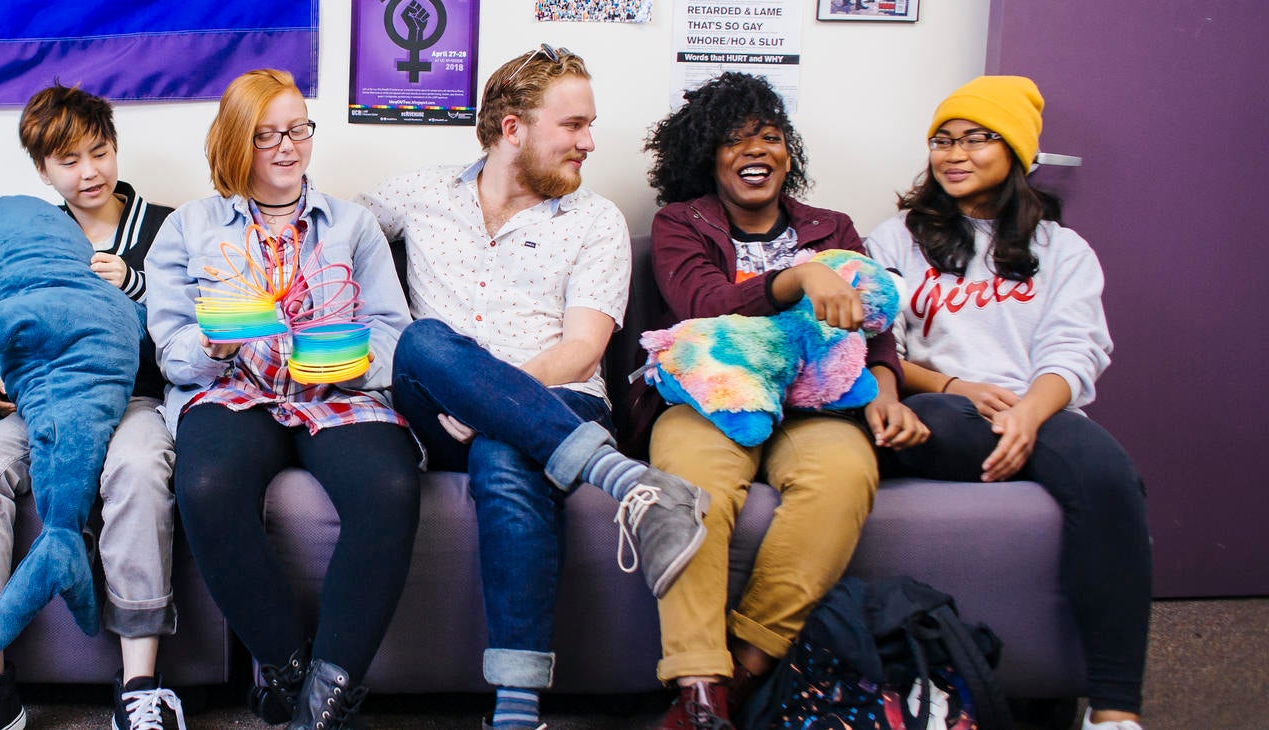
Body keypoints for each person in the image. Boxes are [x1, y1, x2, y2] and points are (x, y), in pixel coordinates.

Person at [357, 44, 709, 730]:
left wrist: (489, 400)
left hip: (559, 404)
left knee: (505, 453)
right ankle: (629, 483)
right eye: (572, 125)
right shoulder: (420, 194)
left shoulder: (594, 220)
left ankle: (516, 714)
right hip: (441, 411)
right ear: (511, 127)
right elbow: (321, 229)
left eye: (588, 125)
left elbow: (582, 351)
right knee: (423, 343)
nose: (589, 142)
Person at [639, 71, 927, 729]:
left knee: (847, 475)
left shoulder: (834, 227)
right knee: (687, 488)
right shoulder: (680, 223)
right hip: (711, 402)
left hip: (815, 406)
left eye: (769, 138)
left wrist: (886, 392)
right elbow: (703, 306)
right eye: (735, 141)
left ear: (788, 153)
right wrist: (799, 276)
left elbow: (871, 327)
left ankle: (745, 671)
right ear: (707, 157)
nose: (756, 152)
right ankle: (698, 682)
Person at [864, 75, 1149, 730]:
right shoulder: (895, 239)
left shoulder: (1062, 251)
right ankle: (1035, 450)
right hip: (938, 413)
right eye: (942, 140)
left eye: (975, 139)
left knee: (1110, 476)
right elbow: (882, 349)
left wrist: (1028, 413)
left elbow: (1075, 352)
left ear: (1017, 152)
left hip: (1038, 415)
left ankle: (1114, 711)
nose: (953, 154)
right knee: (946, 422)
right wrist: (956, 387)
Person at [144, 68, 420, 730]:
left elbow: (395, 333)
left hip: (339, 395)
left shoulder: (353, 225)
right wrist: (213, 344)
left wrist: (346, 361)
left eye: (298, 128)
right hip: (236, 390)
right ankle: (289, 668)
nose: (288, 147)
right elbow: (169, 348)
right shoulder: (189, 226)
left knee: (390, 485)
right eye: (267, 135)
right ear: (236, 141)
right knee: (206, 482)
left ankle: (323, 705)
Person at [0, 83, 182, 730]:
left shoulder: (167, 226)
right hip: (41, 407)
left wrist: (132, 288)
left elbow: (192, 322)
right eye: (68, 161)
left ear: (116, 149)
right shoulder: (33, 232)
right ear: (42, 170)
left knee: (138, 470)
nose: (88, 171)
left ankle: (141, 685)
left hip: (136, 401)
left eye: (99, 152)